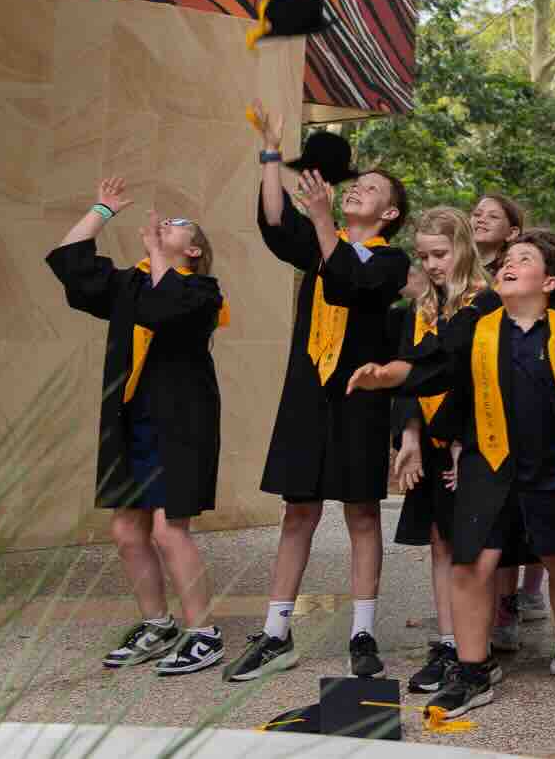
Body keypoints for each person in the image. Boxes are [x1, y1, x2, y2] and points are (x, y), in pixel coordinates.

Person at [346, 231, 555, 721]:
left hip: (552, 468)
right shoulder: (477, 326)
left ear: (550, 281)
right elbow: (435, 366)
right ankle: (473, 668)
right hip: (486, 465)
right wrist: (389, 375)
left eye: (524, 258)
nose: (510, 263)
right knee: (472, 562)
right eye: (507, 259)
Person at [231, 106, 408, 684]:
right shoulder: (317, 241)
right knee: (297, 511)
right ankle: (276, 632)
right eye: (356, 185)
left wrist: (327, 220)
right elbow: (274, 221)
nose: (359, 189)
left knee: (360, 511)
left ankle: (362, 631)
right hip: (307, 393)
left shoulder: (390, 261)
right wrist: (271, 151)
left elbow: (349, 280)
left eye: (371, 189)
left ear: (391, 212)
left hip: (359, 396)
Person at [49, 180, 226, 676]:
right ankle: (158, 624)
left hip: (181, 422)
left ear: (192, 249)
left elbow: (164, 309)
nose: (166, 222)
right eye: (163, 222)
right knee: (127, 530)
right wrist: (102, 208)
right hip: (132, 421)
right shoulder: (131, 283)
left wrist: (153, 249)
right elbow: (69, 260)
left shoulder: (201, 291)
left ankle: (203, 633)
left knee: (171, 531)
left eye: (179, 225)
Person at [391, 207, 490, 696]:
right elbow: (412, 374)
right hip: (428, 439)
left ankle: (477, 648)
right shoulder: (423, 307)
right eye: (423, 255)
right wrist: (409, 436)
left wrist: (458, 444)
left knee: (470, 545)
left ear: (464, 248)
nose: (430, 264)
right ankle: (449, 642)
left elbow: (480, 382)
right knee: (438, 539)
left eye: (440, 254)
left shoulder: (485, 303)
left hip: (470, 439)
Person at [469, 193, 544, 648]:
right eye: (476, 212)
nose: (479, 217)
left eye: (492, 215)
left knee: (523, 513)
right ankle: (487, 611)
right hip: (478, 414)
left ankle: (517, 599)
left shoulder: (521, 277)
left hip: (519, 407)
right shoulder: (464, 274)